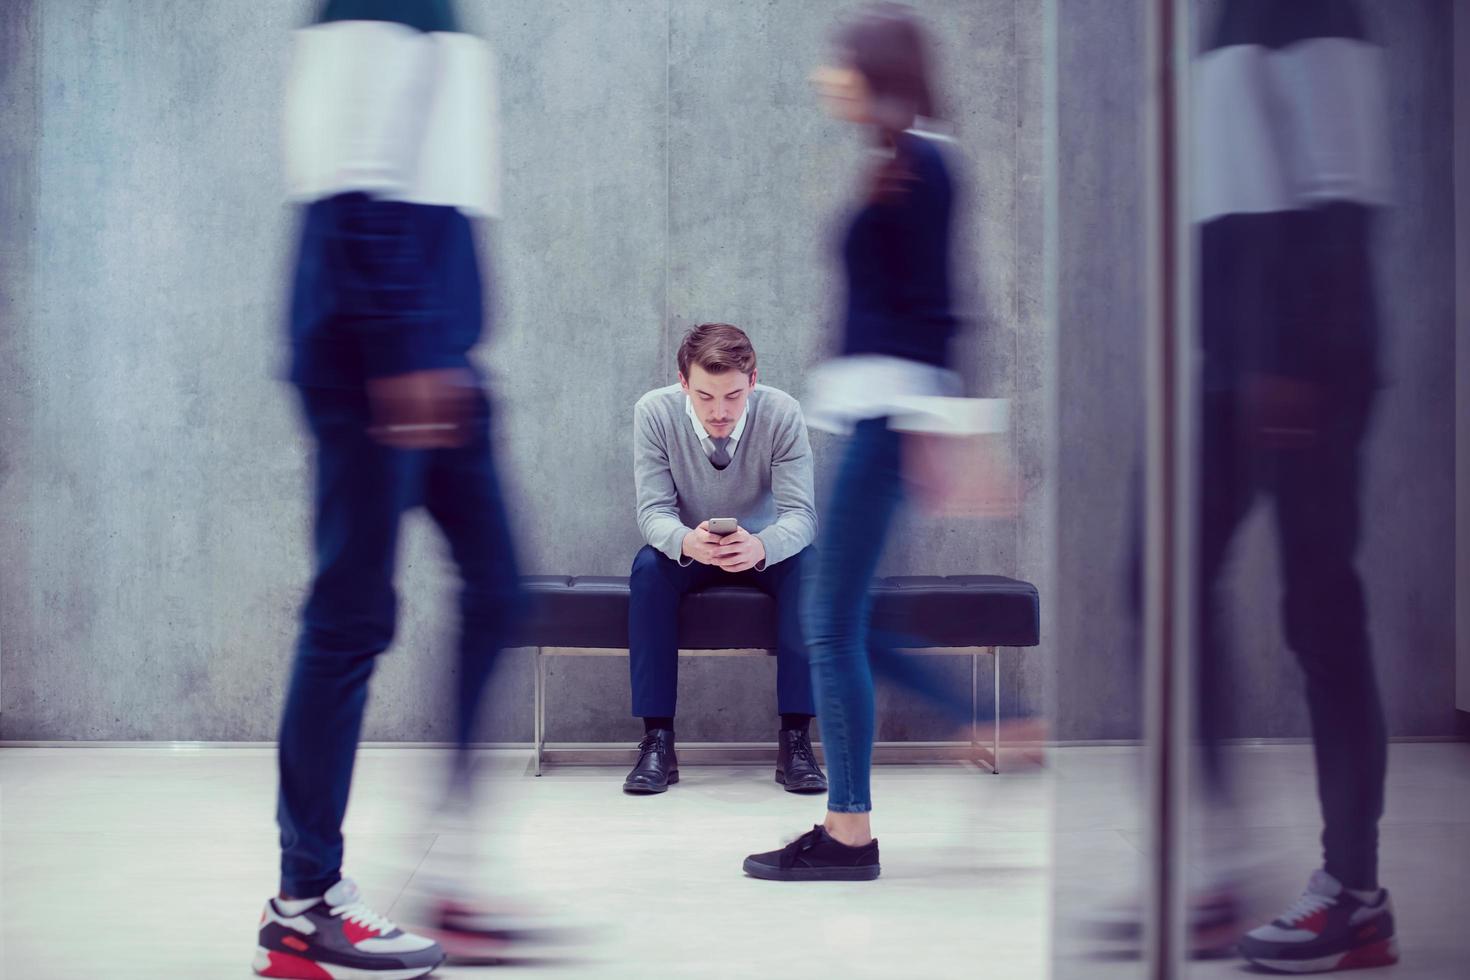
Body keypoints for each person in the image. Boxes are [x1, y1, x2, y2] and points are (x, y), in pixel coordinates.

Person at [255, 1, 518, 975]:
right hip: (380, 349)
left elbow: (437, 187)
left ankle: (453, 871)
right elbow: (352, 183)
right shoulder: (377, 3)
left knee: (501, 588)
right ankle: (301, 902)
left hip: (438, 350)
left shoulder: (442, 11)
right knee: (352, 610)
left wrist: (446, 343)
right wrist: (406, 347)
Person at [743, 4, 1011, 883]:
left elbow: (939, 310)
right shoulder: (898, 163)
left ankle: (849, 832)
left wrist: (950, 433)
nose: (828, 77)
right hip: (873, 418)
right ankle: (980, 720)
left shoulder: (929, 162)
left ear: (878, 71)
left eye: (841, 63)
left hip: (888, 421)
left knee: (827, 618)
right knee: (846, 615)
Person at [624, 322, 827, 795]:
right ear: (683, 382)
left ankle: (796, 741)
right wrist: (683, 541)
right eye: (705, 396)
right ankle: (657, 741)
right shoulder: (654, 413)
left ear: (754, 381)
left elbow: (801, 515)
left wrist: (761, 546)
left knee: (810, 569)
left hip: (762, 546)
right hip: (689, 544)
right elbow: (653, 511)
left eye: (733, 396)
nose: (720, 412)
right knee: (648, 571)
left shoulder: (782, 413)